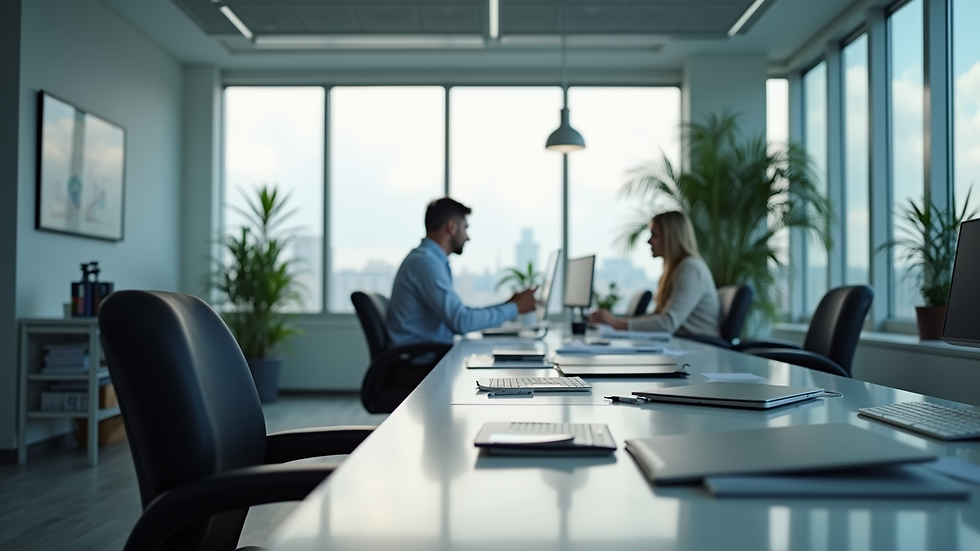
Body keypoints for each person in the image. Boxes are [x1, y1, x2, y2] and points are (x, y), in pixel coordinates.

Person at [387, 197, 538, 346]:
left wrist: (509, 304)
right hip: (421, 362)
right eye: (465, 228)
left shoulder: (428, 260)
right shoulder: (426, 263)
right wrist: (515, 307)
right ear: (452, 226)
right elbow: (461, 321)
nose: (468, 237)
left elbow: (460, 314)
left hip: (429, 355)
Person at [589, 210, 721, 337]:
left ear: (671, 237)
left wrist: (618, 324)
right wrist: (616, 320)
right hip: (682, 343)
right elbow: (658, 316)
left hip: (702, 348)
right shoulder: (673, 271)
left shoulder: (691, 269)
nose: (649, 241)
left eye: (655, 235)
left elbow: (668, 323)